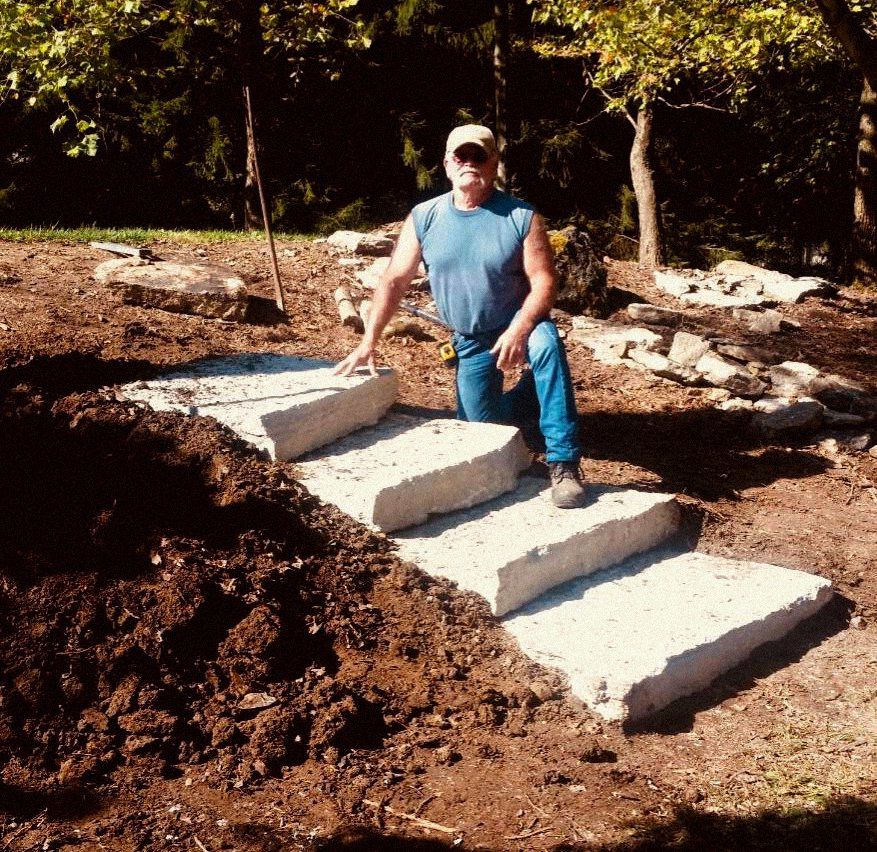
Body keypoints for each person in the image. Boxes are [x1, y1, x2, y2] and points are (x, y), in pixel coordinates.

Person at [335, 124, 586, 509]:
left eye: (479, 156)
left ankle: (564, 462)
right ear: (448, 165)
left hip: (516, 325)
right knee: (480, 428)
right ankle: (533, 394)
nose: (469, 163)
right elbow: (394, 280)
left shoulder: (521, 216)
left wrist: (521, 326)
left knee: (547, 344)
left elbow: (545, 283)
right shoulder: (425, 216)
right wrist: (369, 341)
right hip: (469, 339)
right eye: (461, 156)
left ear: (493, 163)